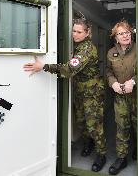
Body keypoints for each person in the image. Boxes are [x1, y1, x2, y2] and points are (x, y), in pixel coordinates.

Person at [23, 18, 107, 172]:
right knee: (81, 121)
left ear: (87, 33)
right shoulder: (78, 45)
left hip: (92, 94)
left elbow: (69, 70)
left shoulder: (87, 48)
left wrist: (44, 66)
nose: (75, 34)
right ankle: (88, 143)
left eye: (79, 32)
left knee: (94, 125)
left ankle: (101, 154)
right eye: (73, 31)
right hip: (80, 91)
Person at [106, 20, 137, 175]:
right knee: (121, 127)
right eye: (121, 33)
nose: (125, 36)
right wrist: (113, 84)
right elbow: (108, 72)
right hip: (120, 97)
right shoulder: (111, 53)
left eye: (127, 32)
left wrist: (134, 80)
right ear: (116, 37)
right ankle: (121, 158)